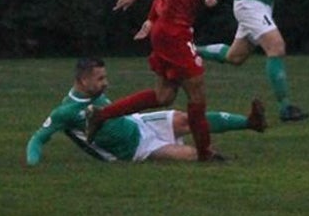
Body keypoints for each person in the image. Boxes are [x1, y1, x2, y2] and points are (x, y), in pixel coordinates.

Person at [84, 0, 256, 160]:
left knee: (164, 96)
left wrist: (155, 17)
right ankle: (204, 153)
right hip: (173, 32)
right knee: (197, 93)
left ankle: (101, 115)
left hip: (171, 30)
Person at [27, 57, 266, 165]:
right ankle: (219, 159)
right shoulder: (65, 112)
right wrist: (32, 163)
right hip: (134, 150)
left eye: (105, 77)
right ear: (82, 81)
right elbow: (38, 139)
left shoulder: (96, 94)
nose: (105, 83)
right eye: (100, 79)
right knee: (189, 156)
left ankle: (250, 122)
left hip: (139, 123)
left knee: (188, 119)